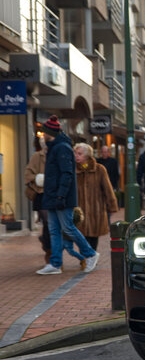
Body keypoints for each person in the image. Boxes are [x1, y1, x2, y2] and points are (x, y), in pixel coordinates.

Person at [36, 115, 99, 275]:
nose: (42, 135)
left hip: (60, 197)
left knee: (68, 228)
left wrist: (60, 196)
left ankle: (91, 254)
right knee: (54, 230)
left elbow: (66, 174)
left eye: (44, 133)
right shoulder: (54, 147)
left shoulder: (61, 147)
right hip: (53, 196)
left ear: (50, 133)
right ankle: (55, 264)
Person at [74, 142, 119, 250]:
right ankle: (85, 258)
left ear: (87, 155)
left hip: (96, 209)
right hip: (79, 210)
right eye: (75, 153)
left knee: (94, 236)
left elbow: (108, 189)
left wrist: (112, 206)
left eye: (79, 153)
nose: (76, 156)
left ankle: (92, 256)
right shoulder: (73, 170)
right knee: (81, 236)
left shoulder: (99, 169)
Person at [25, 137, 51, 262]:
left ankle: (48, 243)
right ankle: (48, 249)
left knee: (52, 224)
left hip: (54, 194)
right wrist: (39, 179)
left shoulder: (57, 155)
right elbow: (28, 175)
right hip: (41, 195)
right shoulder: (37, 156)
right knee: (47, 221)